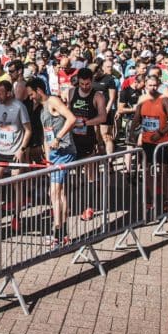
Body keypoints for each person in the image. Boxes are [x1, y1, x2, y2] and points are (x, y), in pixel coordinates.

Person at [26, 77, 77, 246]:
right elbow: (47, 137)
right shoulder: (41, 110)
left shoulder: (53, 100)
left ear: (39, 90)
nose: (31, 97)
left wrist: (59, 137)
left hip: (65, 150)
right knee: (58, 193)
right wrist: (48, 159)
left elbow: (71, 118)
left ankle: (59, 232)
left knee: (54, 193)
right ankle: (61, 232)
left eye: (32, 94)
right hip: (54, 154)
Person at [0, 80, 31, 228]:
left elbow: (28, 130)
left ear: (9, 93)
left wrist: (21, 150)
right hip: (0, 150)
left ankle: (17, 216)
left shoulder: (19, 107)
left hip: (15, 151)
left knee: (16, 183)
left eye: (0, 94)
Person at [65, 67, 106, 221]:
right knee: (68, 174)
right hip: (72, 139)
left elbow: (102, 117)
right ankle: (65, 205)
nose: (84, 87)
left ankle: (89, 207)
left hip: (88, 138)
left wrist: (86, 123)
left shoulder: (98, 96)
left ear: (92, 81)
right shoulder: (71, 92)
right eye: (82, 84)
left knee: (90, 175)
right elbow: (68, 111)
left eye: (87, 84)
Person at [131, 76, 168, 213]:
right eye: (150, 85)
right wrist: (131, 134)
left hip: (161, 143)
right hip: (146, 142)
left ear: (159, 85)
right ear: (145, 86)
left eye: (155, 85)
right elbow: (136, 119)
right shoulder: (142, 100)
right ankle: (150, 198)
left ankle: (167, 200)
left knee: (164, 172)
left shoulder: (164, 99)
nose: (153, 88)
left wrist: (161, 133)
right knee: (147, 171)